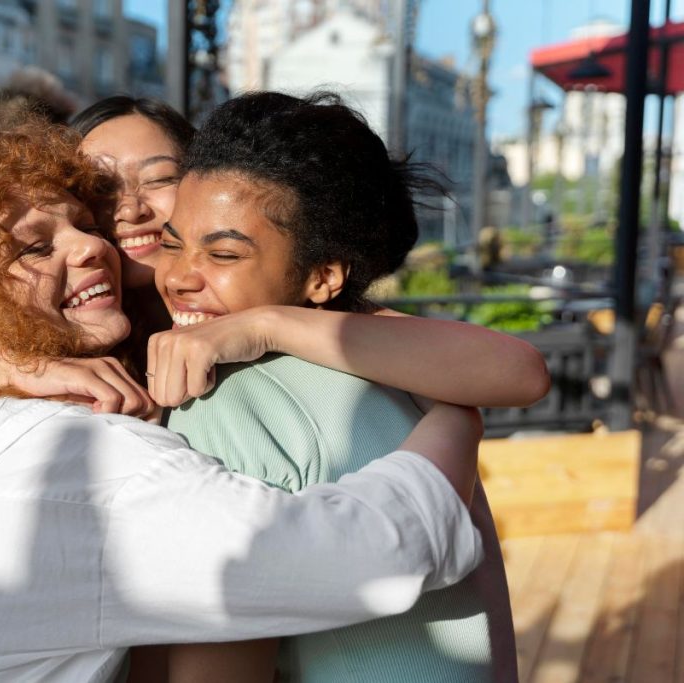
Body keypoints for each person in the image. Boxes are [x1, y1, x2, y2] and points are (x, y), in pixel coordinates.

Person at [0, 116, 484, 681]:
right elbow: (374, 553)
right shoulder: (71, 452)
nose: (92, 247)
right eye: (37, 246)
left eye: (84, 224)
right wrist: (457, 415)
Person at [151, 91, 500, 682]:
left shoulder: (218, 400)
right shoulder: (408, 374)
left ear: (321, 277)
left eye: (225, 253)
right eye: (171, 242)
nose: (181, 276)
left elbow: (221, 664)